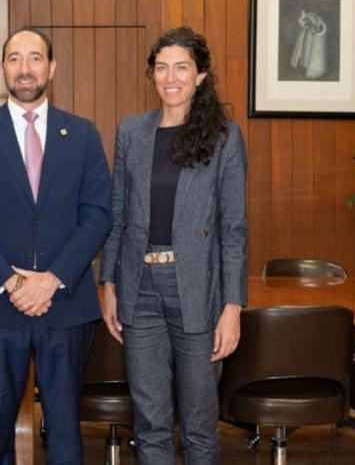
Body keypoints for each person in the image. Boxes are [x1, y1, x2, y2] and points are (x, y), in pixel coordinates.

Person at [0, 27, 113, 465]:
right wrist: (14, 283)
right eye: (15, 58)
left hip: (66, 304)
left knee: (64, 429)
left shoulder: (82, 134)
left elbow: (98, 216)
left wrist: (53, 280)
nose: (25, 68)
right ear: (3, 68)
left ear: (51, 68)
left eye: (35, 58)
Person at [99, 26, 247, 465]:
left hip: (198, 291)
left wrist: (233, 306)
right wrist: (108, 281)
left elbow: (233, 227)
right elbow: (118, 215)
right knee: (150, 424)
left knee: (200, 426)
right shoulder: (132, 132)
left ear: (200, 75)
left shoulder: (224, 137)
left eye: (181, 67)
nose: (170, 78)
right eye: (161, 68)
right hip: (139, 288)